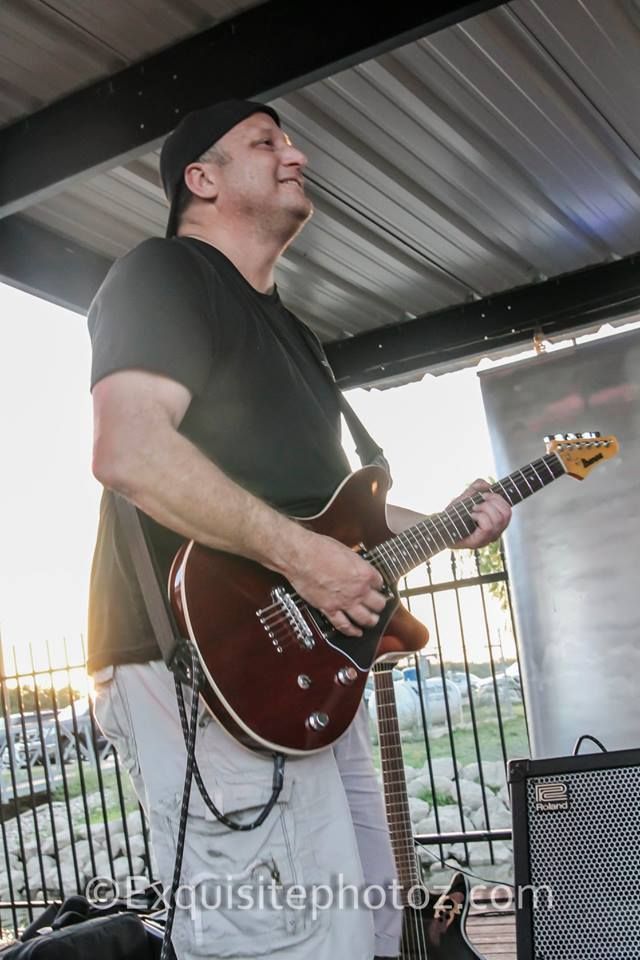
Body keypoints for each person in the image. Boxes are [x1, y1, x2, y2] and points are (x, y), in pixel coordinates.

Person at [87, 98, 511, 960]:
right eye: (266, 142)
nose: (296, 155)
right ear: (200, 181)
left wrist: (448, 522)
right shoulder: (164, 273)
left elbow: (328, 511)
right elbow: (130, 448)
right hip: (206, 662)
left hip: (301, 673)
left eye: (290, 141)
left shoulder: (296, 335)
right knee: (284, 938)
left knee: (369, 923)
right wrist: (303, 562)